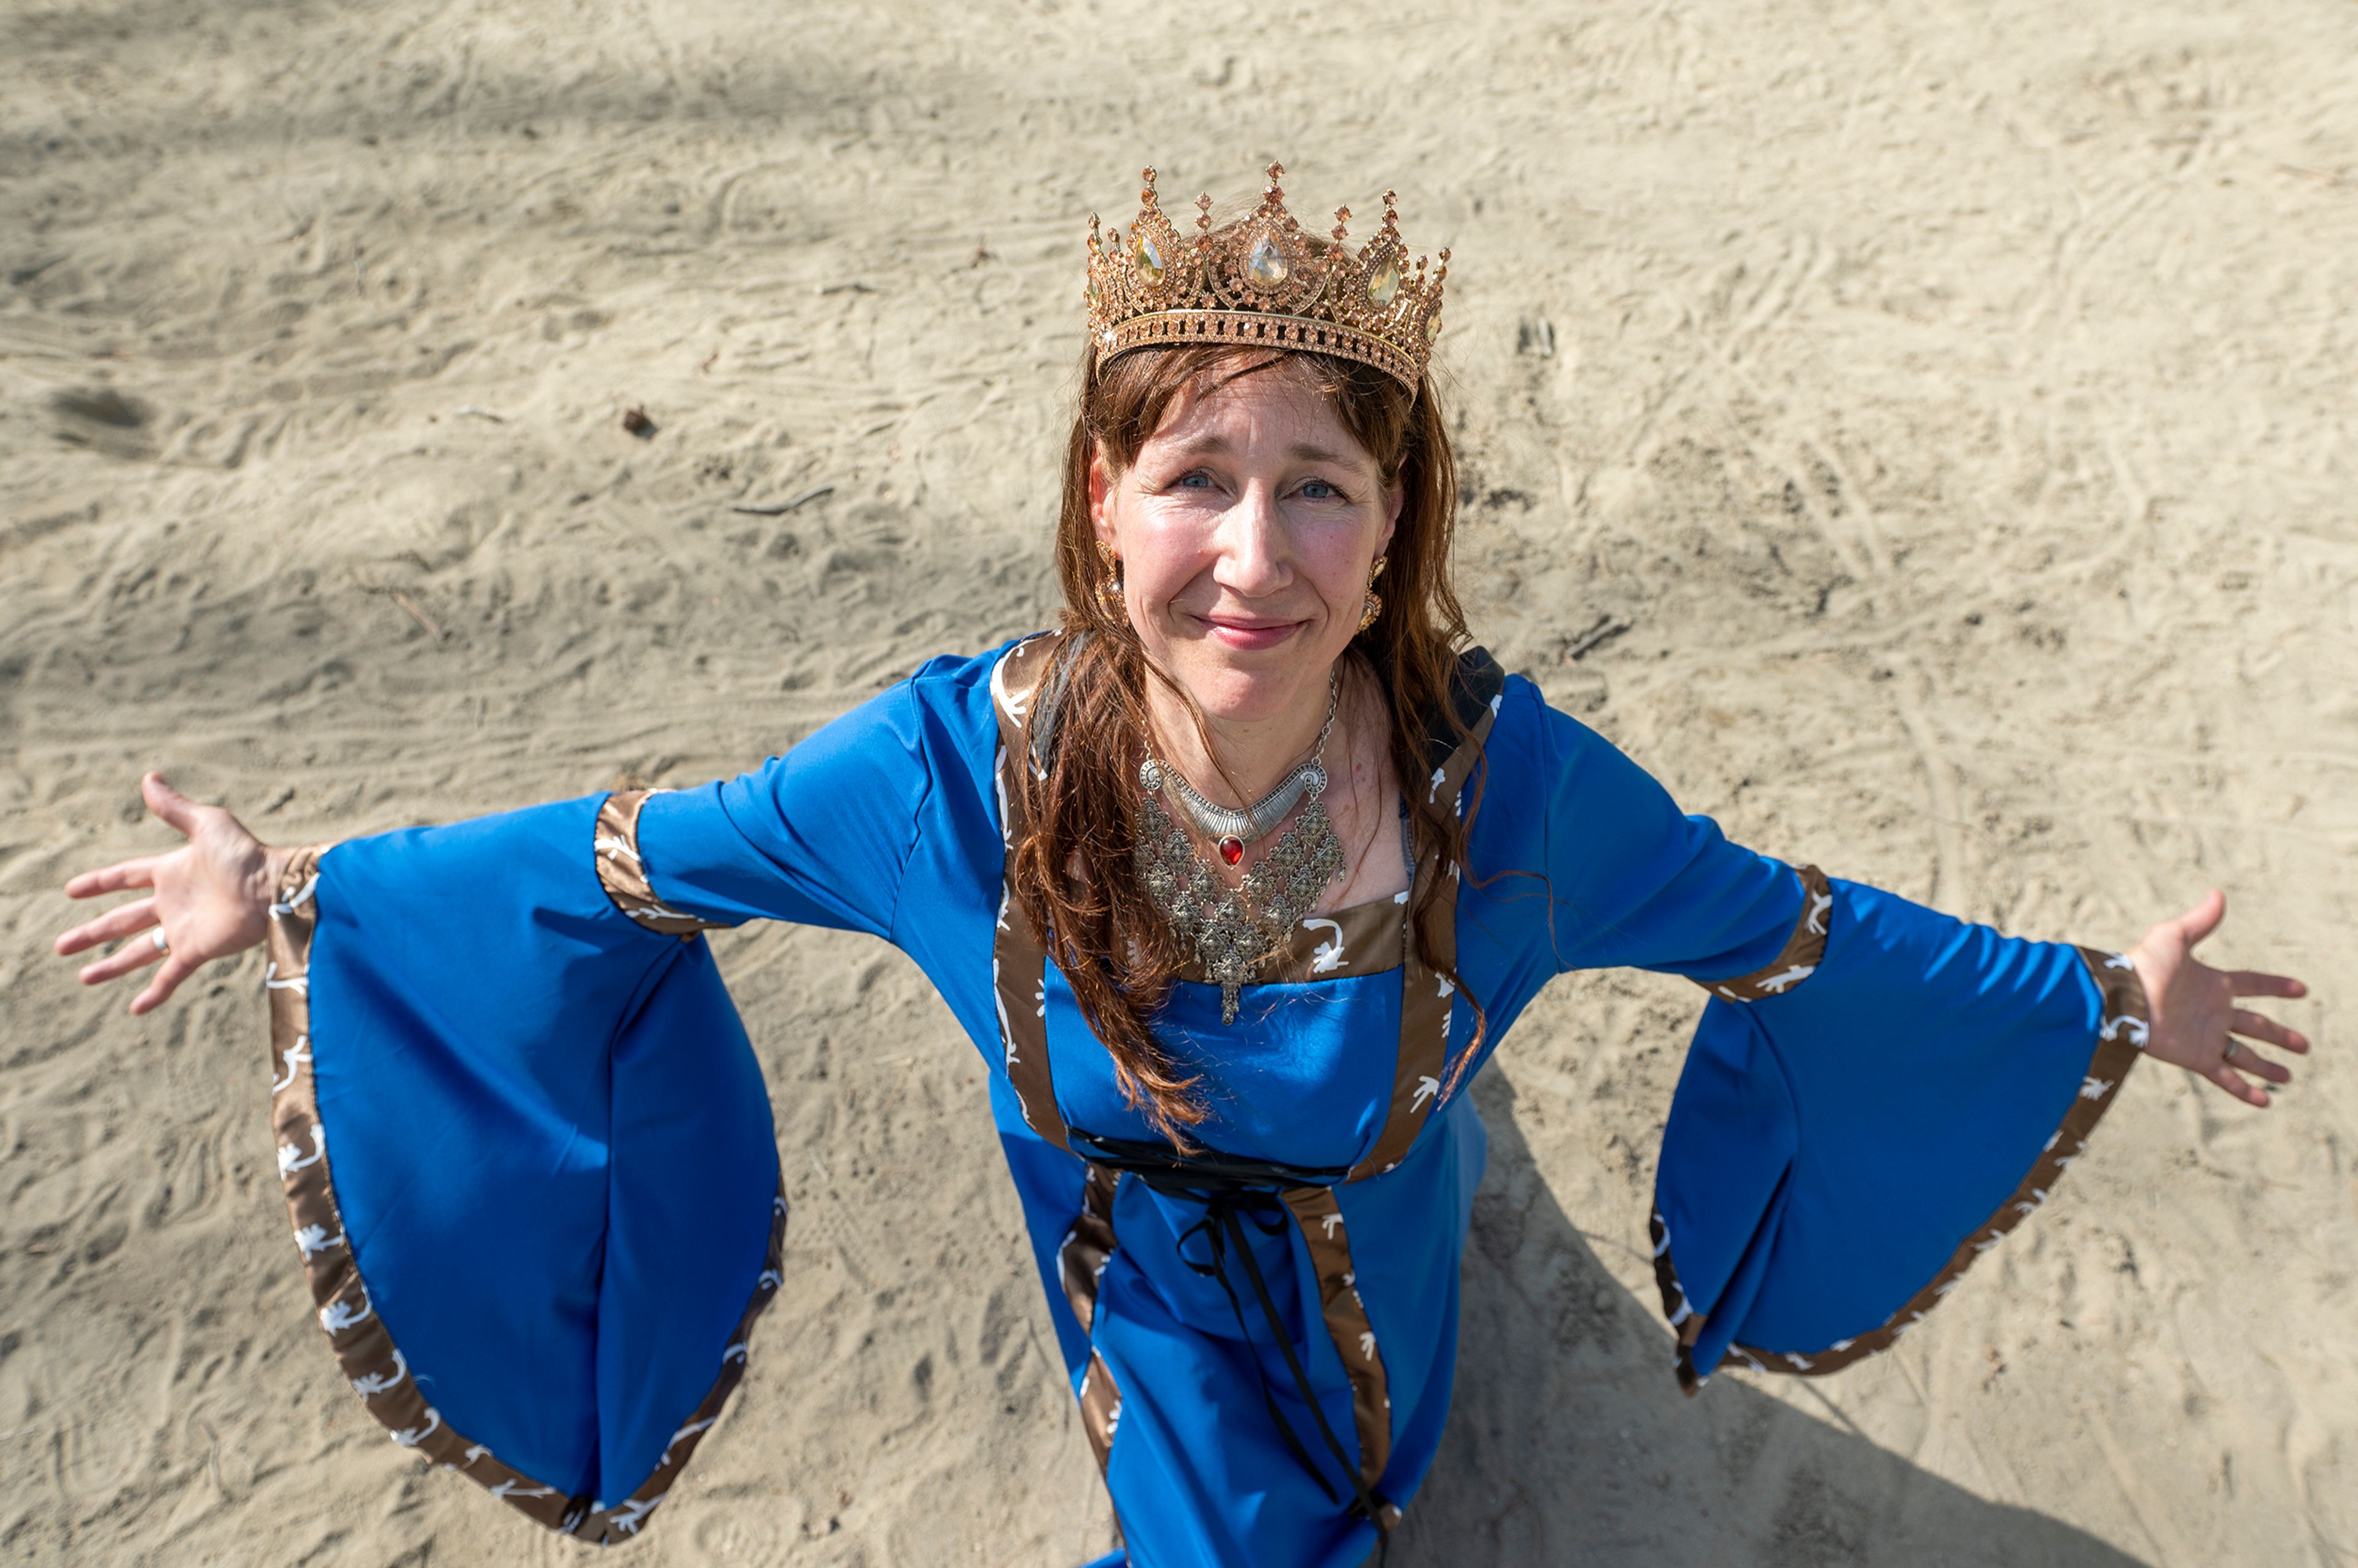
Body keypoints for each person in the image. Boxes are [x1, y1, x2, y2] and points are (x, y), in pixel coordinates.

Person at [51, 164, 2310, 1568]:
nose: (1255, 553)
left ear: (1398, 525)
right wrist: (305, 891)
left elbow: (1788, 928)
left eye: (1321, 483)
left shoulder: (1507, 802)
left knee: (1401, 1371)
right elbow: (629, 864)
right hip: (1130, 1264)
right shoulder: (940, 780)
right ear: (1102, 507)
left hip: (1381, 1235)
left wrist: (2104, 996)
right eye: (1197, 477)